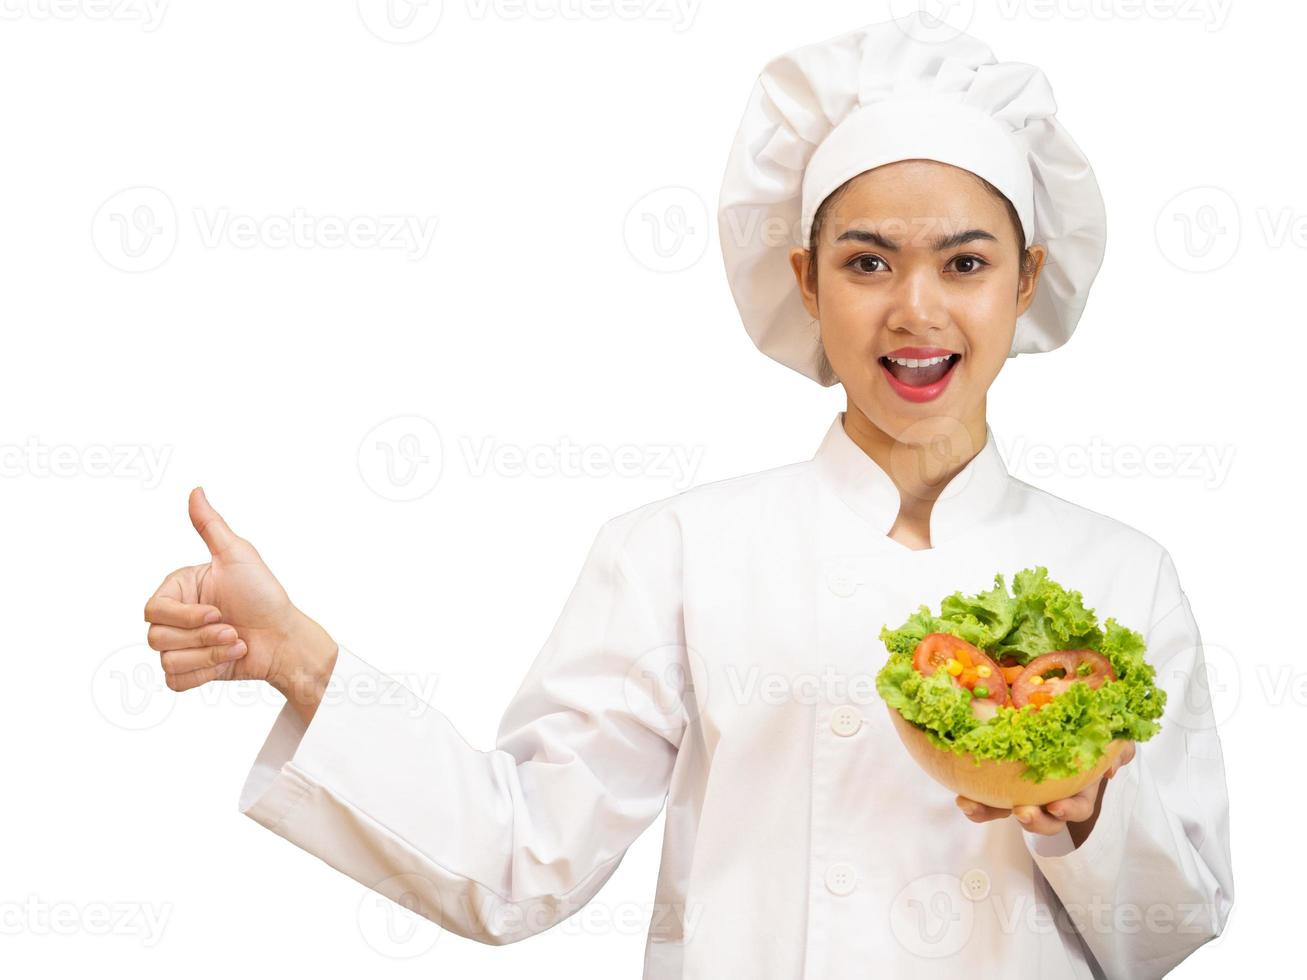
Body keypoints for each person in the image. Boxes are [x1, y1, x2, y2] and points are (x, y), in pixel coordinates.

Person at [142, 13, 1234, 978]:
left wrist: (1086, 807)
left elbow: (1172, 924)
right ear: (803, 280)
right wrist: (299, 658)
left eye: (963, 263)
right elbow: (520, 858)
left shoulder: (1119, 571)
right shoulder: (680, 549)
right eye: (864, 263)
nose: (915, 310)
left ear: (1026, 277)